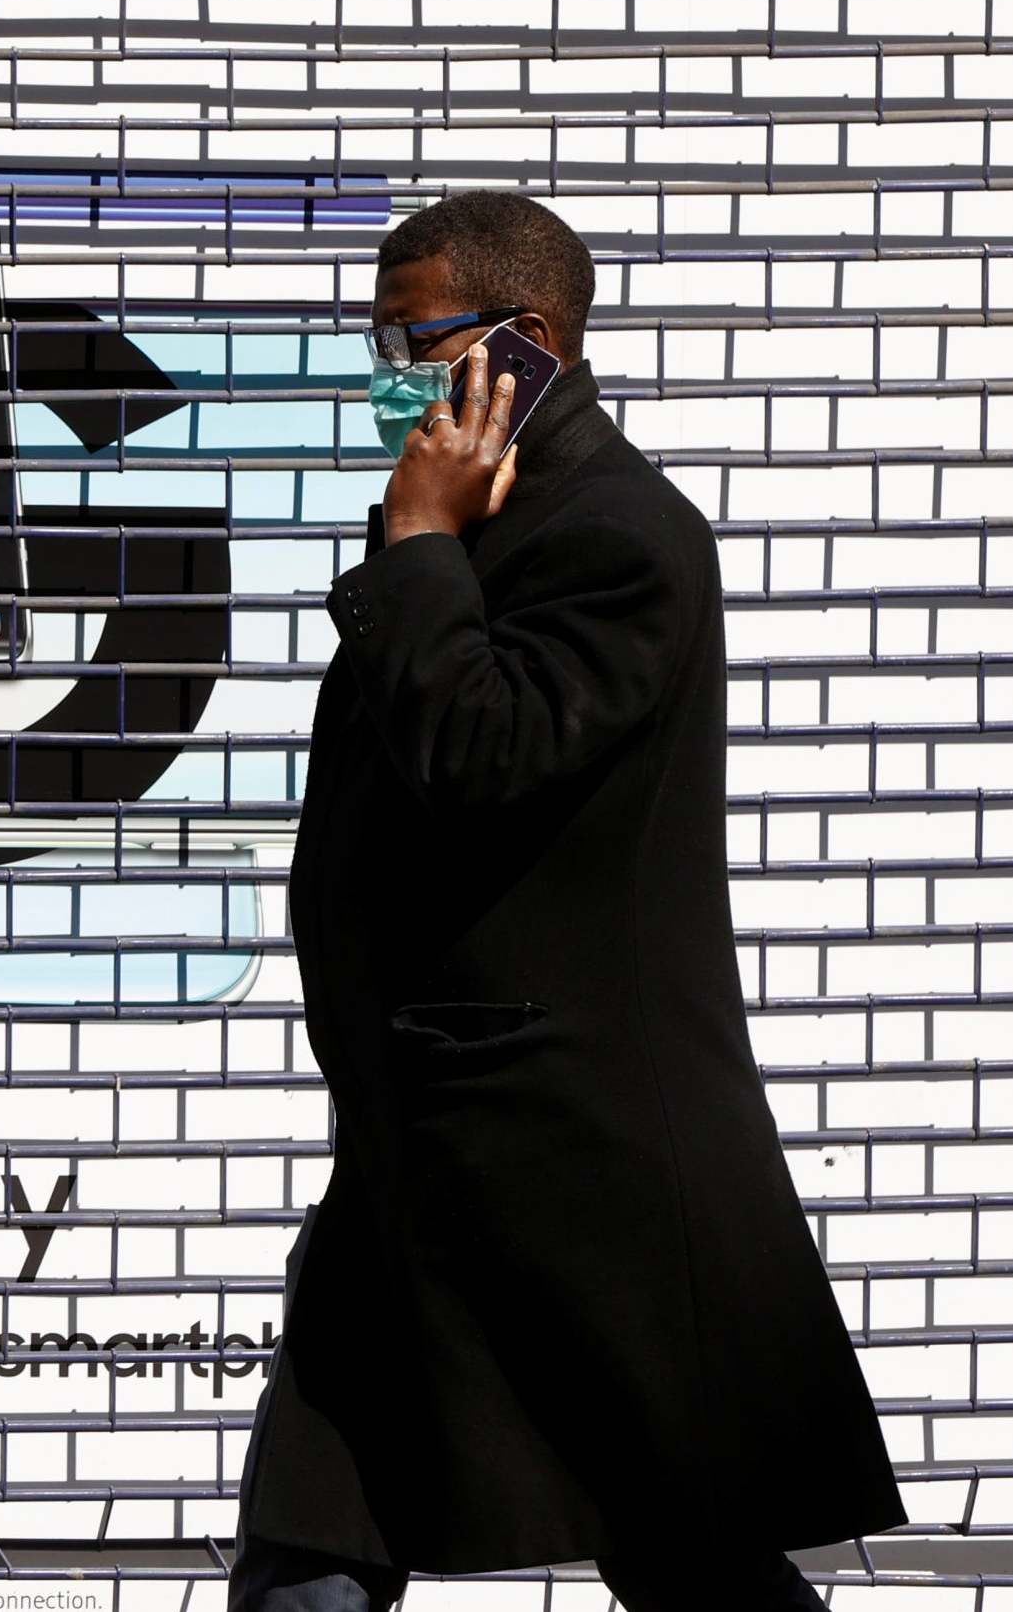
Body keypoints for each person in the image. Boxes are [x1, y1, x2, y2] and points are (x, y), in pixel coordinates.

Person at [225, 190, 907, 1610]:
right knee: (313, 1543)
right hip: (427, 1143)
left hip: (566, 1164)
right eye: (373, 339)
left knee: (685, 1553)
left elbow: (483, 754)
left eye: (413, 338)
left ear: (526, 342)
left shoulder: (617, 536)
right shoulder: (485, 523)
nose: (385, 372)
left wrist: (413, 547)